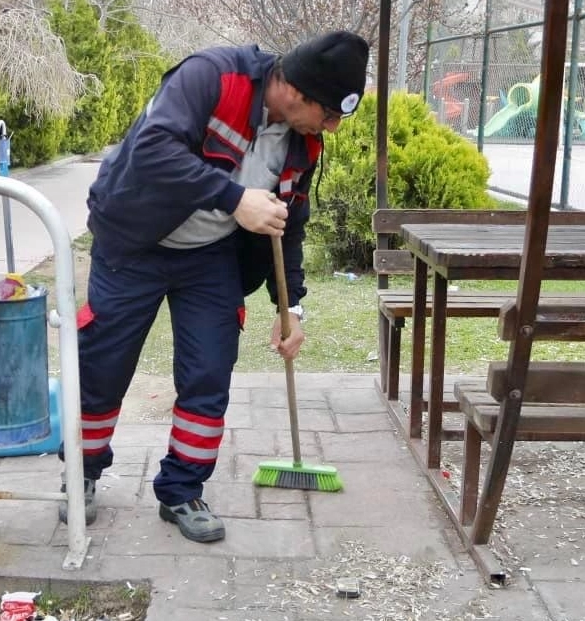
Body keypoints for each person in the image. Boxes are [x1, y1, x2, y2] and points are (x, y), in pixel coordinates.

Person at [61, 30, 370, 542]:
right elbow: (152, 149)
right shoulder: (212, 77)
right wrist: (234, 198)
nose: (332, 127)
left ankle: (182, 490)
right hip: (133, 242)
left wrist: (290, 306)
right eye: (331, 113)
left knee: (209, 370)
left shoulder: (303, 142)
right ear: (297, 91)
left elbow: (289, 223)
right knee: (103, 366)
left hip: (209, 255)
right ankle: (81, 474)